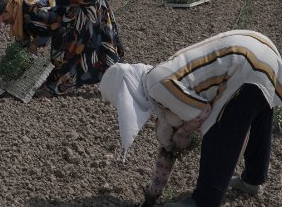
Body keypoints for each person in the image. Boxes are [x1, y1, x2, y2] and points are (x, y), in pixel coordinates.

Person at [99, 30, 282, 207]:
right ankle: (252, 180)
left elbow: (203, 112)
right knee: (260, 117)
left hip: (246, 63)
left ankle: (204, 201)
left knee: (218, 131)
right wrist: (152, 195)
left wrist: (184, 132)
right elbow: (169, 145)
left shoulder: (155, 84)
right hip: (262, 50)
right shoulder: (159, 73)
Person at [0, 0, 123, 95]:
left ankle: (57, 85)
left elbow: (55, 23)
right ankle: (117, 74)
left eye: (3, 20)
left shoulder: (31, 7)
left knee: (67, 44)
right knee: (75, 38)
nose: (6, 23)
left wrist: (35, 44)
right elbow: (44, 23)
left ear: (8, 10)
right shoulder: (22, 1)